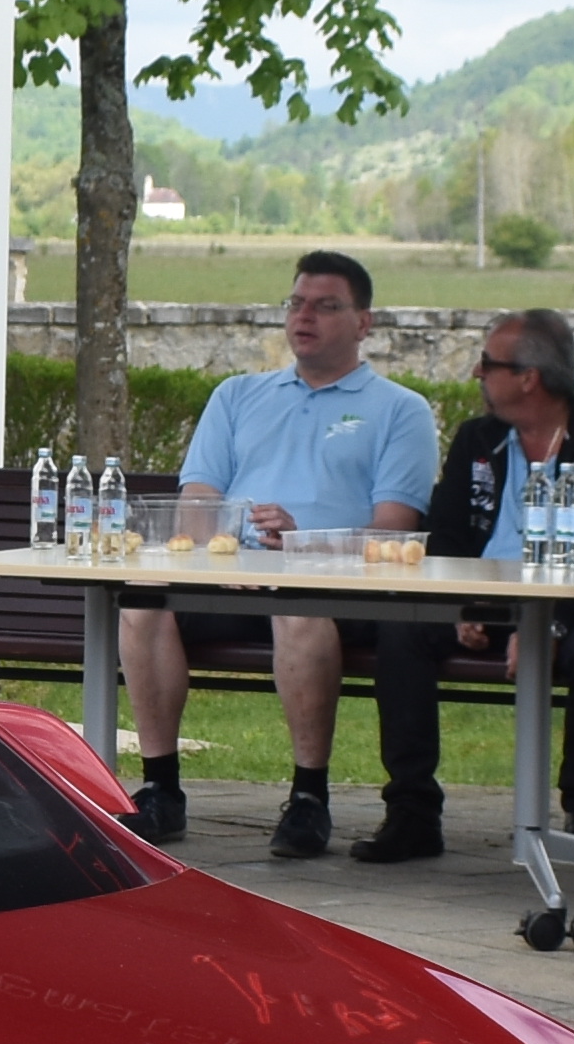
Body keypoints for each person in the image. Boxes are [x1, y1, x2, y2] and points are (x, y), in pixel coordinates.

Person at [120, 250, 437, 858]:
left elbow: (393, 533)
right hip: (229, 577)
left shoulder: (400, 410)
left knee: (297, 605)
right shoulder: (238, 396)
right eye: (296, 303)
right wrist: (232, 555)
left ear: (363, 323)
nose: (304, 316)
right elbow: (197, 505)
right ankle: (161, 790)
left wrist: (298, 547)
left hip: (332, 585)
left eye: (326, 305)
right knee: (140, 605)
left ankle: (309, 799)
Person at [374, 307, 574, 863]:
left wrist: (545, 622)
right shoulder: (478, 437)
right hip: (484, 604)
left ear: (529, 377)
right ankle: (412, 811)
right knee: (403, 630)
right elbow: (446, 537)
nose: (477, 374)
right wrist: (461, 607)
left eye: (488, 364)